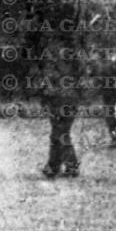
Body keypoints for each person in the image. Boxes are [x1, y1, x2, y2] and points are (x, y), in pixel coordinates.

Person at [41, 40, 81, 179]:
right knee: (59, 135)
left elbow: (50, 88)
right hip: (65, 103)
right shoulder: (71, 66)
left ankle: (64, 166)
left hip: (61, 104)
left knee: (59, 135)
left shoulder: (58, 69)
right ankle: (56, 166)